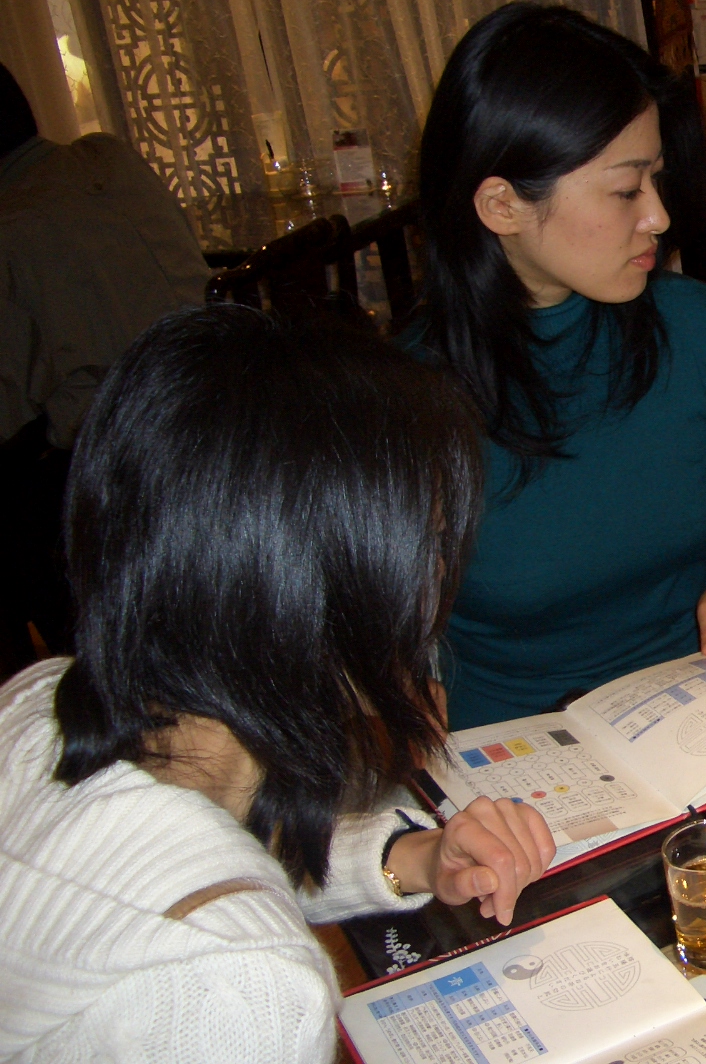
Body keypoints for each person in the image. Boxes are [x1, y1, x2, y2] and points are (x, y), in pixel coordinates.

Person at [0, 306, 558, 1062]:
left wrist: (411, 859)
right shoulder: (245, 990)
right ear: (309, 589)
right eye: (424, 544)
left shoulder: (43, 702)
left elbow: (168, 871)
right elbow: (204, 933)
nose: (436, 582)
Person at [411, 4, 706, 729]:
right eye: (626, 191)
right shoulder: (406, 396)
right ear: (501, 205)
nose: (658, 216)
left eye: (656, 179)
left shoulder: (695, 327)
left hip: (697, 703)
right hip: (517, 742)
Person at [0, 62, 212, 673]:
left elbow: (8, 405)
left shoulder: (11, 224)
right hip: (217, 403)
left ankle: (67, 677)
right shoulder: (108, 158)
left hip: (130, 461)